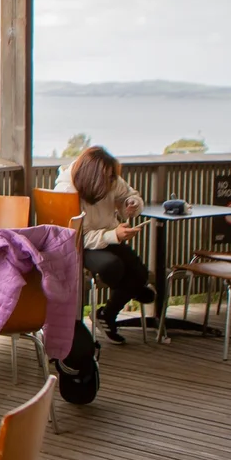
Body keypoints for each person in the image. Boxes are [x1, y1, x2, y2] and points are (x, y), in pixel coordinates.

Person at [54, 145, 151, 343]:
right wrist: (112, 235)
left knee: (139, 271)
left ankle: (107, 314)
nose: (110, 182)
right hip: (80, 246)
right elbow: (76, 236)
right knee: (112, 266)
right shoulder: (67, 190)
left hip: (108, 235)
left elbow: (130, 194)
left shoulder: (111, 179)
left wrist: (131, 203)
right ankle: (134, 289)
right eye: (106, 178)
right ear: (92, 177)